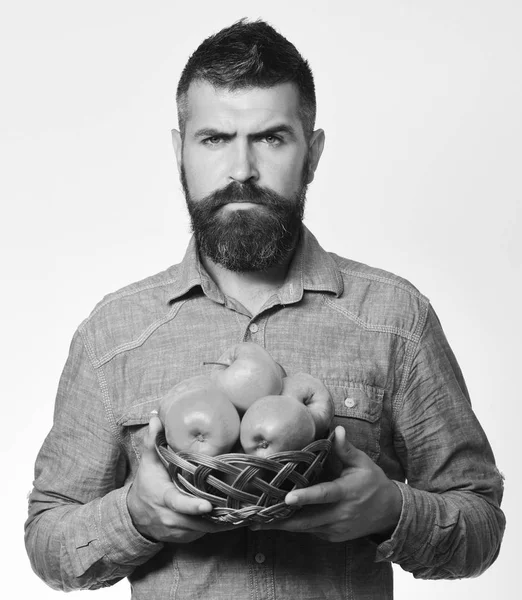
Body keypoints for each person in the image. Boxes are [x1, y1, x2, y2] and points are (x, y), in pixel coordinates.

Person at [25, 18, 505, 599]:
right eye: (214, 139)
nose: (241, 171)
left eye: (271, 138)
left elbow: (479, 522)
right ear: (180, 150)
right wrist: (134, 517)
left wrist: (391, 510)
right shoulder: (115, 333)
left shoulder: (395, 319)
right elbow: (48, 540)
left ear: (314, 152)